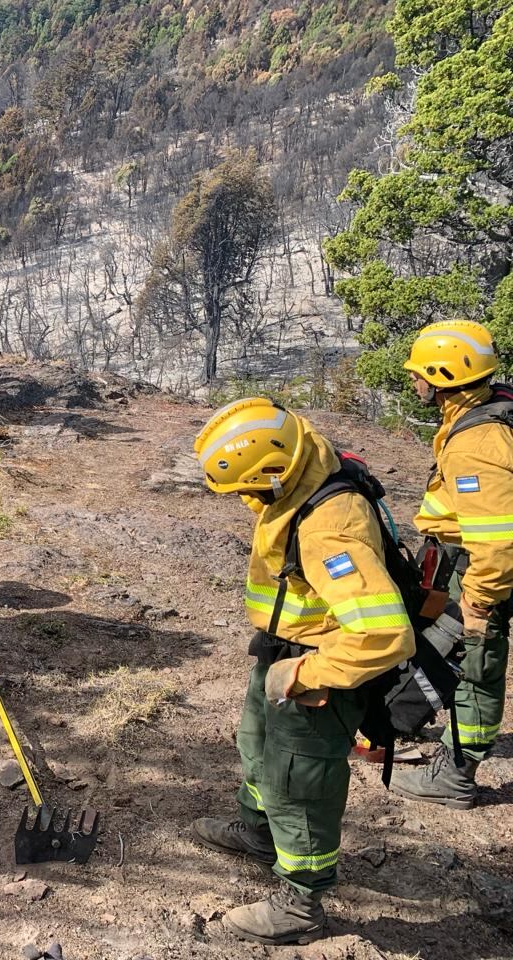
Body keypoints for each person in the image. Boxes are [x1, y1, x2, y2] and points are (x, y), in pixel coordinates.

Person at [190, 398, 414, 945]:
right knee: (256, 746)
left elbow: (384, 633)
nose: (245, 501)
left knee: (299, 784)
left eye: (248, 489)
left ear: (275, 472)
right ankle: (259, 834)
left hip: (317, 675)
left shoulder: (329, 529)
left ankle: (301, 902)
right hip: (281, 648)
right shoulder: (304, 458)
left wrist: (305, 673)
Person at [391, 320, 512, 808]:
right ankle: (408, 717)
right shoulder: (491, 406)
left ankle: (455, 776)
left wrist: (479, 599)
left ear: (442, 376)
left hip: (490, 569)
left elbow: (499, 544)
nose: (415, 382)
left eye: (420, 374)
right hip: (475, 560)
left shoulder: (476, 445)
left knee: (478, 664)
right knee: (454, 647)